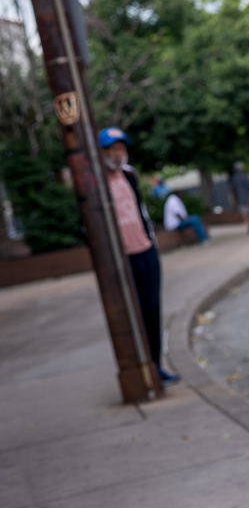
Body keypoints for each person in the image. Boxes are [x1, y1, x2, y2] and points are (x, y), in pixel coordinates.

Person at [98, 127, 178, 385]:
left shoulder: (129, 175)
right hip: (122, 259)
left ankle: (156, 366)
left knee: (153, 309)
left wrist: (151, 242)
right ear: (101, 153)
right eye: (111, 149)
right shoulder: (96, 182)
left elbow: (140, 210)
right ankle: (139, 368)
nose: (117, 154)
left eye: (120, 149)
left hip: (145, 250)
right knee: (131, 314)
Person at [230, 162, 249, 234]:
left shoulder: (234, 177)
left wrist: (233, 198)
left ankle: (248, 223)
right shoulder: (245, 175)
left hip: (239, 197)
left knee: (243, 212)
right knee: (247, 211)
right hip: (247, 196)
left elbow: (233, 189)